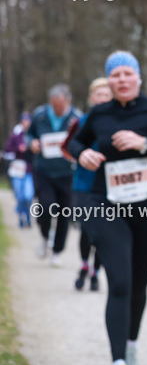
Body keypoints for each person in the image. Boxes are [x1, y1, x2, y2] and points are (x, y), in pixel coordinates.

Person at [67, 51, 147, 365]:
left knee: (138, 284)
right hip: (106, 204)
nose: (121, 80)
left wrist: (144, 143)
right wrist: (81, 153)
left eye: (127, 74)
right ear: (108, 80)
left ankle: (130, 346)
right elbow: (75, 141)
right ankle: (118, 363)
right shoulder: (99, 113)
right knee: (119, 281)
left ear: (138, 78)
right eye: (114, 75)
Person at [63, 78, 113, 291]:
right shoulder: (82, 122)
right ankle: (84, 265)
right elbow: (67, 147)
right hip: (83, 184)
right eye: (99, 95)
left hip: (110, 186)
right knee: (87, 229)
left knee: (103, 232)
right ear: (92, 98)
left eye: (106, 95)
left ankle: (96, 272)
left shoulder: (117, 120)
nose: (102, 99)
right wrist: (82, 155)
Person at [26, 85, 81, 265]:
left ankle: (57, 251)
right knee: (45, 206)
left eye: (60, 105)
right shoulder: (40, 115)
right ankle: (44, 236)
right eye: (53, 105)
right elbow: (29, 135)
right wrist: (32, 143)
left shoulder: (77, 118)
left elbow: (83, 140)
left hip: (67, 172)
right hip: (45, 171)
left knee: (65, 212)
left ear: (68, 101)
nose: (56, 108)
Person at [3, 112, 35, 229]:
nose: (26, 123)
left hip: (28, 170)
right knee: (20, 196)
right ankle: (22, 216)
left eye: (28, 120)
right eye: (24, 120)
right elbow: (7, 149)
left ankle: (26, 215)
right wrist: (18, 148)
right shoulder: (16, 135)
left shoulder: (33, 134)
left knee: (28, 195)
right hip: (17, 170)